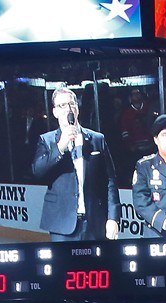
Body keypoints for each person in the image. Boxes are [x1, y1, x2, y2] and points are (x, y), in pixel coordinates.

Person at [32, 86, 120, 242]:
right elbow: (38, 172)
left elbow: (110, 181)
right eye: (62, 105)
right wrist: (60, 147)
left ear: (77, 107)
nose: (68, 109)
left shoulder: (96, 139)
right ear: (55, 112)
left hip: (94, 222)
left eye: (71, 104)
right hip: (62, 225)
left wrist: (113, 218)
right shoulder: (47, 140)